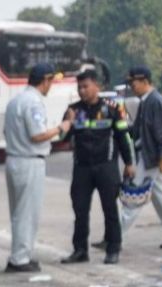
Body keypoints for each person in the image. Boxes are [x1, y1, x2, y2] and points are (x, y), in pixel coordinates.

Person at [59, 70, 136, 265]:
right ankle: (80, 250)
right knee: (80, 211)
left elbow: (123, 136)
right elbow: (63, 139)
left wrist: (129, 163)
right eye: (79, 87)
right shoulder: (73, 110)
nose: (82, 91)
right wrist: (68, 122)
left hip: (106, 166)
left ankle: (113, 249)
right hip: (82, 167)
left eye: (86, 86)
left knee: (110, 210)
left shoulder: (112, 108)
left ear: (97, 87)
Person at [3, 63, 73, 272]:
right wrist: (62, 127)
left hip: (14, 158)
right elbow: (37, 135)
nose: (51, 86)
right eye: (51, 81)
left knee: (18, 213)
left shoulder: (15, 100)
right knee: (27, 214)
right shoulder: (33, 102)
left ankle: (19, 254)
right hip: (29, 161)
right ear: (45, 80)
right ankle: (20, 259)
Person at [117, 66, 162, 248]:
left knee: (134, 197)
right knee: (161, 197)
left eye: (133, 83)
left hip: (151, 157)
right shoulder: (147, 101)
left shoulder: (155, 102)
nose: (131, 87)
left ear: (145, 81)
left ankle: (114, 235)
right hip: (148, 155)